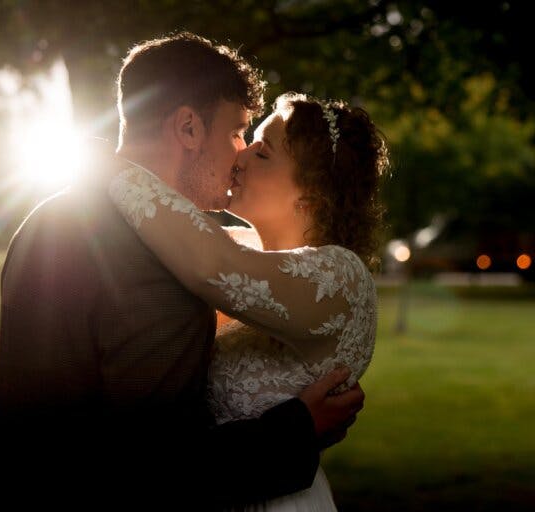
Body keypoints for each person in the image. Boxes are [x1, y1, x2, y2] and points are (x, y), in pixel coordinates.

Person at [0, 33, 364, 510]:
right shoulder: (164, 261)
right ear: (187, 128)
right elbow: (152, 470)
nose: (240, 153)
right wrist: (296, 434)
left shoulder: (50, 215)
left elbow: (9, 369)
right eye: (236, 132)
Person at [106, 91, 388, 510]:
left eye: (263, 152)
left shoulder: (339, 277)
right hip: (210, 486)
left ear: (310, 196)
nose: (240, 155)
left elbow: (211, 267)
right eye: (248, 139)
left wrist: (110, 169)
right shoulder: (238, 247)